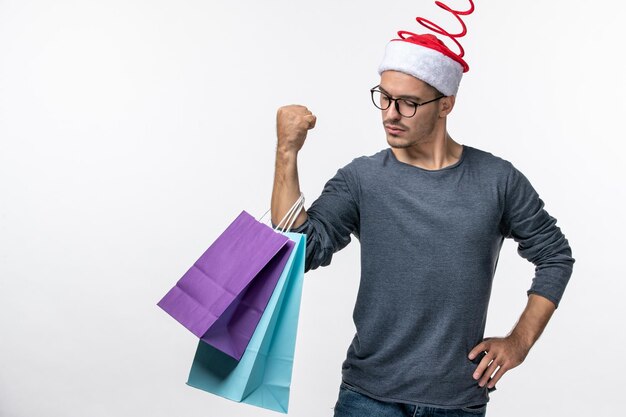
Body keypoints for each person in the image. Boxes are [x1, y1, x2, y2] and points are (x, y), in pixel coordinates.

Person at [270, 19, 574, 417]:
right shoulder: (361, 179)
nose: (391, 114)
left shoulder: (497, 180)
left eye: (408, 103)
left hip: (457, 401)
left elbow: (555, 255)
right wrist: (286, 151)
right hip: (368, 397)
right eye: (385, 97)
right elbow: (295, 252)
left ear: (446, 103)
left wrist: (519, 342)